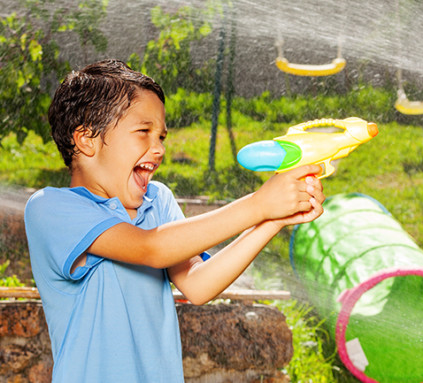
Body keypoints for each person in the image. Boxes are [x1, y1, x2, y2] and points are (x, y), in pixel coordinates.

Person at [24, 59, 325, 383]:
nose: (158, 148)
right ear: (87, 139)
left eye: (162, 136)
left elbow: (197, 285)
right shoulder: (51, 208)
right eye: (143, 132)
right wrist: (258, 204)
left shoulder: (158, 201)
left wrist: (274, 219)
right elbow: (151, 248)